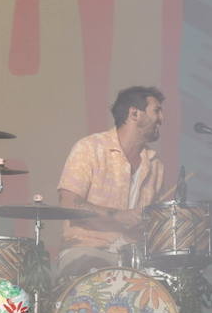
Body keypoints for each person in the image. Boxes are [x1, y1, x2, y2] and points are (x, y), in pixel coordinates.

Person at [57, 86, 170, 273]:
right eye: (156, 111)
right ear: (134, 113)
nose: (162, 119)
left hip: (135, 257)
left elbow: (155, 222)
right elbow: (68, 203)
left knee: (165, 284)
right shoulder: (90, 148)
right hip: (86, 250)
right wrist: (119, 216)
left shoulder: (155, 164)